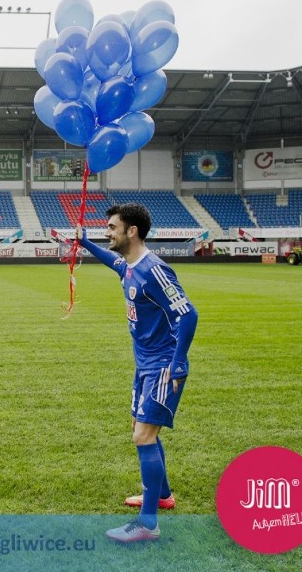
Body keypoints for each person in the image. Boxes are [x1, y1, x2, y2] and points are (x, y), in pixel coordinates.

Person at [76, 203, 198, 543]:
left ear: (132, 231)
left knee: (143, 436)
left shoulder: (155, 270)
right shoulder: (129, 265)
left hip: (163, 365)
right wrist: (85, 244)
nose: (108, 232)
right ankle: (162, 496)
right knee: (141, 429)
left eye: (113, 227)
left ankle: (148, 524)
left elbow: (188, 315)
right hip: (143, 365)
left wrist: (179, 360)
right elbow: (113, 262)